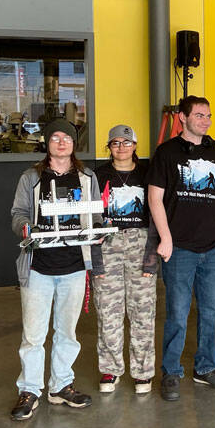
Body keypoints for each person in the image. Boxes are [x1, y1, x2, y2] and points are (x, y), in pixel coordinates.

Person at [9, 118, 104, 421]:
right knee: (33, 335)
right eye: (55, 138)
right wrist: (26, 228)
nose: (61, 143)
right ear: (47, 143)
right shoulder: (31, 177)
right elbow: (18, 213)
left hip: (74, 266)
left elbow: (95, 213)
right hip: (38, 267)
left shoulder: (86, 177)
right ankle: (30, 390)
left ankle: (61, 385)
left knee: (67, 331)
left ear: (74, 144)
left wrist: (99, 229)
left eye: (67, 138)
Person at [147, 95, 215, 401]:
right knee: (177, 312)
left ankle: (205, 368)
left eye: (208, 116)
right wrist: (165, 238)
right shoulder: (166, 152)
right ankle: (171, 371)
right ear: (182, 118)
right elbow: (155, 198)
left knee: (212, 311)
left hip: (212, 248)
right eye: (199, 115)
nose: (205, 121)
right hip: (179, 249)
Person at [93, 124, 157, 395]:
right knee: (108, 310)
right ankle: (111, 369)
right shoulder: (97, 176)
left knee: (143, 311)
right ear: (109, 147)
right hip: (107, 244)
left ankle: (143, 372)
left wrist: (151, 257)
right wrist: (95, 261)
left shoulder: (148, 173)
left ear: (135, 146)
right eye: (116, 143)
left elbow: (156, 215)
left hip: (140, 244)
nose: (121, 147)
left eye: (127, 142)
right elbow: (90, 219)